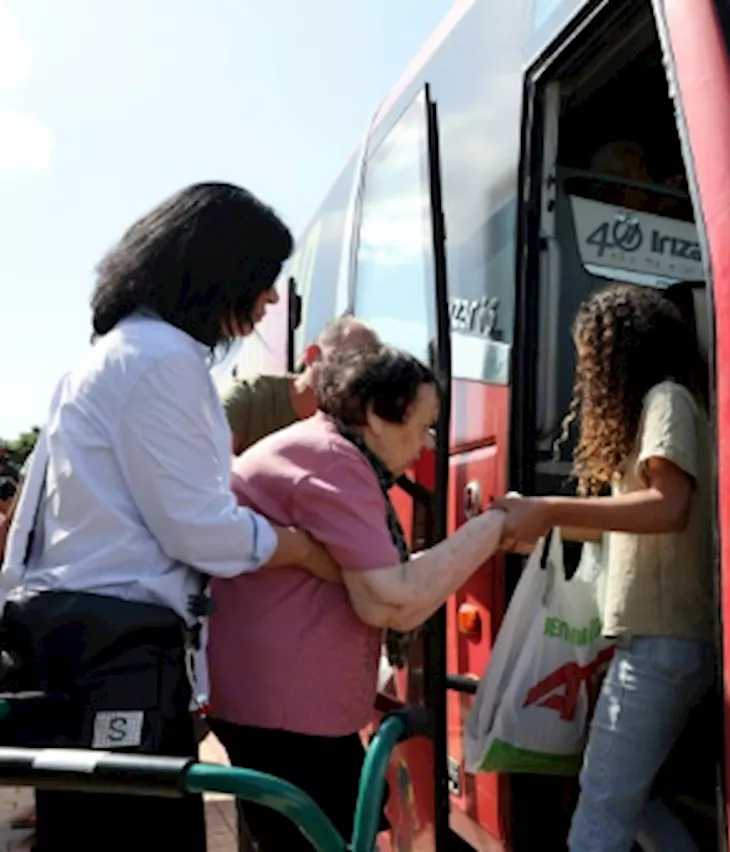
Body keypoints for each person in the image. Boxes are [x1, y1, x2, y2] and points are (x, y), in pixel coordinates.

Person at [0, 182, 341, 852]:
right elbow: (201, 530)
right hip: (124, 654)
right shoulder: (165, 362)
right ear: (221, 271)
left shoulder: (109, 355)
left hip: (71, 644)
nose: (272, 298)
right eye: (266, 279)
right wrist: (301, 548)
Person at [207, 345, 506, 851]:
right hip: (287, 713)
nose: (429, 445)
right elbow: (390, 599)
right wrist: (494, 528)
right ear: (375, 414)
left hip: (283, 706)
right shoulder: (334, 461)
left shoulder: (328, 452)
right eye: (423, 424)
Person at [495, 282, 713, 852]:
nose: (587, 372)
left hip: (662, 642)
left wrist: (548, 508)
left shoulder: (666, 399)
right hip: (663, 640)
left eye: (592, 356)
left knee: (600, 807)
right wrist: (534, 525)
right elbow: (632, 522)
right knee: (638, 801)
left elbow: (667, 508)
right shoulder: (666, 403)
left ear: (625, 351)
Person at [222, 314, 380, 455]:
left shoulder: (361, 430)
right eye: (347, 361)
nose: (354, 375)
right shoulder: (251, 398)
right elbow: (211, 464)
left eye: (367, 369)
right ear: (313, 356)